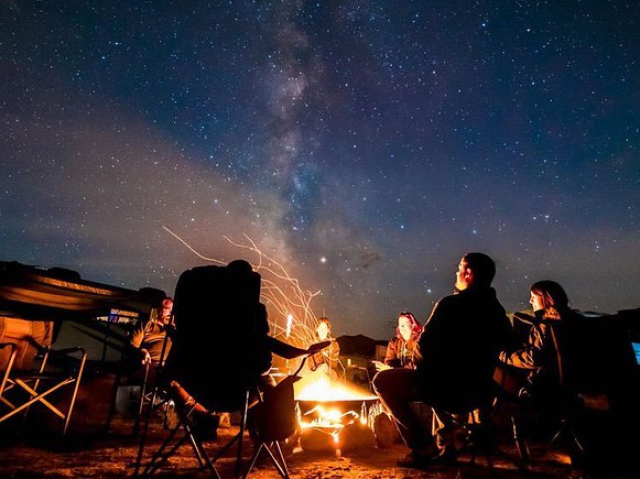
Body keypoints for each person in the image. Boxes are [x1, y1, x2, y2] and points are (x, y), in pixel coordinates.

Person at [373, 252, 514, 468]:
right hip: (481, 392)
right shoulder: (497, 313)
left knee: (382, 381)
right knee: (434, 379)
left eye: (459, 268)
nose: (456, 273)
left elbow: (424, 347)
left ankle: (421, 447)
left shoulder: (450, 305)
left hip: (447, 390)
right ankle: (445, 444)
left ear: (468, 274)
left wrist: (421, 369)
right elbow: (508, 347)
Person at [498, 280, 584, 408]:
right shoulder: (574, 319)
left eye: (533, 297)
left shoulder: (545, 325)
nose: (530, 301)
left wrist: (505, 356)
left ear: (546, 299)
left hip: (546, 385)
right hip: (573, 380)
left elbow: (534, 358)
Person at [130, 297, 174, 367]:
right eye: (167, 309)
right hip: (151, 364)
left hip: (172, 365)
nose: (171, 313)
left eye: (172, 310)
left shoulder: (174, 327)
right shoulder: (147, 324)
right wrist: (143, 351)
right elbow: (133, 346)